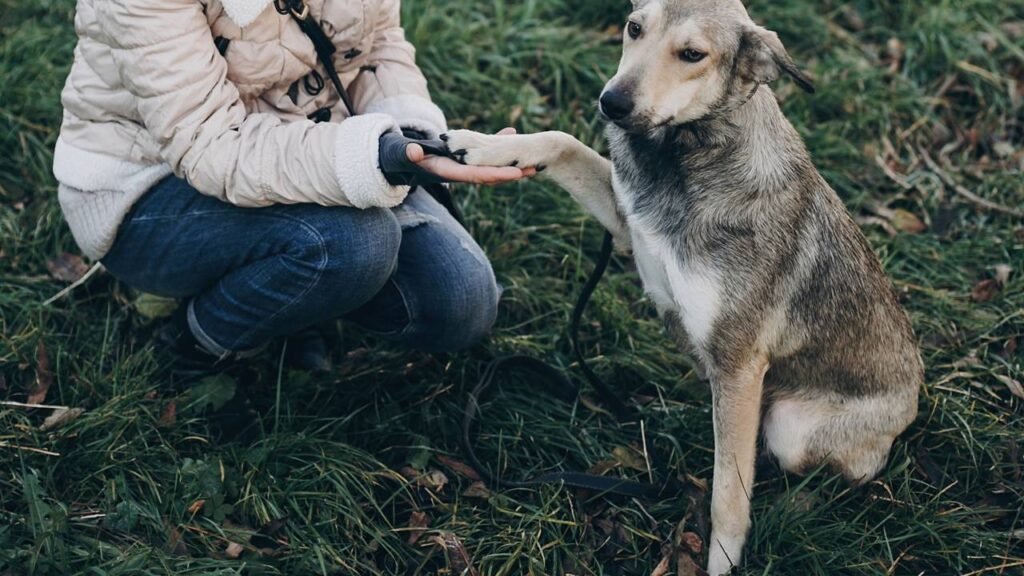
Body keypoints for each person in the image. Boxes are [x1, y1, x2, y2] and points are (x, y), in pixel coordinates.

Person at [52, 0, 533, 372]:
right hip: (152, 184)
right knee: (353, 243)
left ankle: (294, 297)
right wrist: (376, 156)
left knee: (460, 300)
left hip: (317, 142)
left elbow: (379, 47)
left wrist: (416, 140)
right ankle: (201, 343)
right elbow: (210, 146)